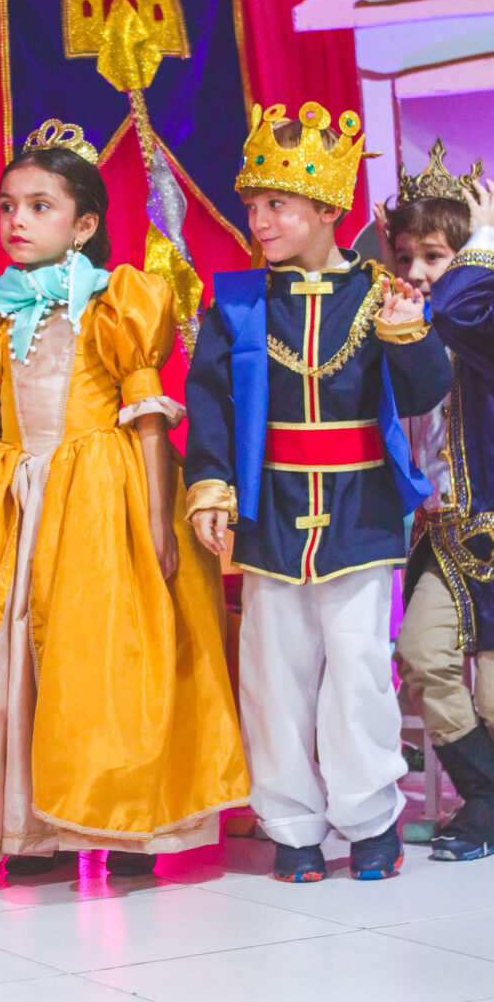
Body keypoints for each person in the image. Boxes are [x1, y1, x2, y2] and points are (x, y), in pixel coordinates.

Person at [0, 120, 249, 876]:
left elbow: (146, 417)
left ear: (83, 225)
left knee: (103, 653)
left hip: (101, 492)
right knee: (8, 653)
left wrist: (156, 521)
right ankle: (28, 825)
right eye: (8, 206)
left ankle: (123, 822)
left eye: (40, 207)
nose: (17, 220)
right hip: (11, 496)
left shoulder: (117, 300)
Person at [184, 101, 453, 882]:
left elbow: (423, 393)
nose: (259, 221)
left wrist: (407, 335)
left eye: (277, 204)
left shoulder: (378, 294)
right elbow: (209, 403)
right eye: (253, 205)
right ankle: (292, 825)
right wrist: (210, 487)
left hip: (358, 512)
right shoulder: (236, 303)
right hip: (269, 515)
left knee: (359, 671)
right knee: (272, 676)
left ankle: (369, 819)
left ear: (329, 209)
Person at [383, 141, 494, 862]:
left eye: (433, 256)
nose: (416, 273)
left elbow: (458, 308)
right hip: (443, 534)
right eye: (405, 258)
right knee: (420, 655)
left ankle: (482, 809)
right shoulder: (409, 327)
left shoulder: (476, 316)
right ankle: (484, 797)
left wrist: (482, 242)